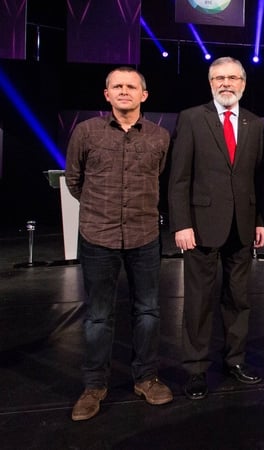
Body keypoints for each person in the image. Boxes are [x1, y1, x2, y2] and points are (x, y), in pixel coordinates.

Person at [65, 66, 173, 421]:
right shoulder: (86, 132)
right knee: (98, 316)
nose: (124, 91)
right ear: (106, 94)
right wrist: (100, 210)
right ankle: (94, 386)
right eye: (117, 86)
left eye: (131, 86)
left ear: (144, 95)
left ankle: (146, 377)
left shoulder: (159, 137)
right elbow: (75, 180)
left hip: (144, 236)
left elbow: (162, 179)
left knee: (148, 312)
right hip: (99, 236)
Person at [169, 56, 264, 400]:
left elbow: (257, 178)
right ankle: (196, 368)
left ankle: (234, 360)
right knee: (198, 301)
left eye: (232, 78)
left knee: (239, 299)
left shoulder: (255, 124)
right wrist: (181, 223)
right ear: (210, 83)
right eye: (218, 78)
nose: (226, 84)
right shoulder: (192, 118)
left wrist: (258, 220)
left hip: (242, 226)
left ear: (243, 83)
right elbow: (178, 178)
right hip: (200, 227)